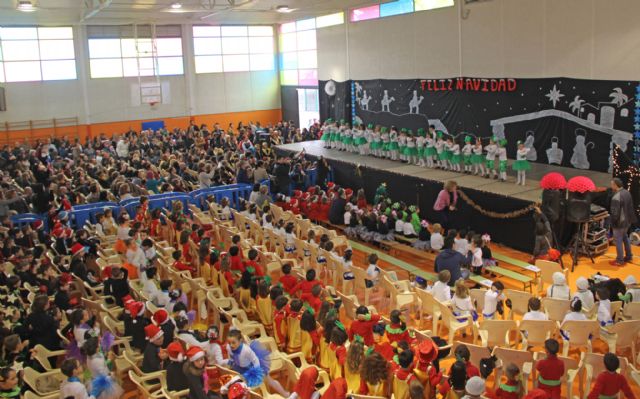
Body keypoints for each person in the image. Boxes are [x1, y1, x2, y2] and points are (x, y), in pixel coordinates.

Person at [610, 178, 637, 266]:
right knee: (625, 238)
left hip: (619, 223)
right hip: (628, 221)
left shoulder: (616, 197)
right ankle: (629, 256)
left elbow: (615, 213)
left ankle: (619, 260)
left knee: (618, 241)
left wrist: (612, 223)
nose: (611, 186)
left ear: (615, 185)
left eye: (612, 184)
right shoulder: (627, 192)